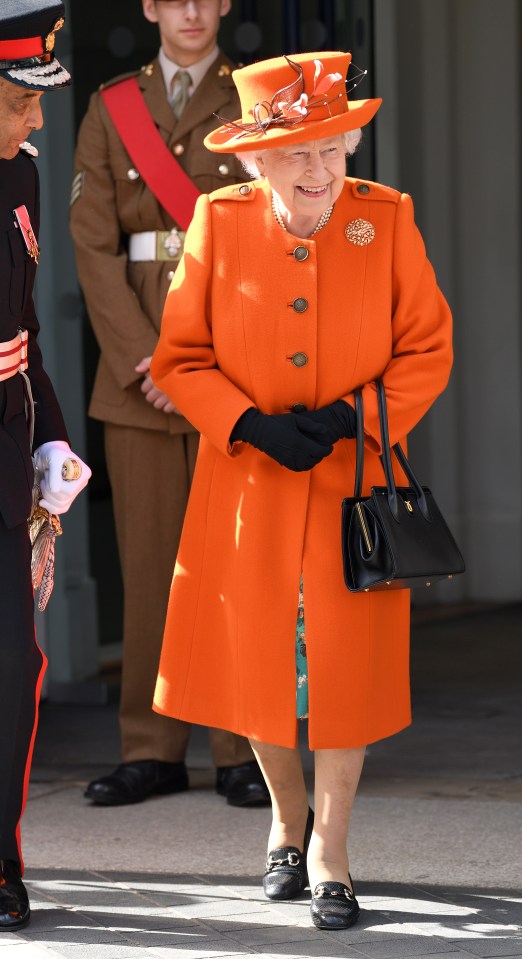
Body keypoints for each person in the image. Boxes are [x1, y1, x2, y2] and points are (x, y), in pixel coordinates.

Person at [150, 51, 454, 930]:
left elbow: (426, 348)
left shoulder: (386, 219)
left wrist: (358, 418)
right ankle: (287, 820)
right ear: (254, 159)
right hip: (248, 483)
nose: (321, 170)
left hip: (353, 484)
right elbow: (182, 357)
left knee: (343, 671)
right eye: (298, 154)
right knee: (263, 666)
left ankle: (333, 849)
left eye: (335, 149)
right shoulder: (218, 220)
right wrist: (246, 423)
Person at [69, 0, 269, 808]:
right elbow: (91, 241)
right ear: (150, 6)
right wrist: (145, 357)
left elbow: (268, 229)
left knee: (233, 565)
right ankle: (150, 748)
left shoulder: (255, 96)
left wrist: (199, 361)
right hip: (139, 367)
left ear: (224, 4)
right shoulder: (111, 105)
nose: (190, 11)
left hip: (231, 357)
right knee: (151, 566)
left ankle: (238, 750)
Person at [0, 0, 91, 931]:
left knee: (10, 664)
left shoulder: (20, 177)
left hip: (4, 451)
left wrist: (51, 438)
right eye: (21, 100)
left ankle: (1, 863)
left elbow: (23, 328)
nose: (37, 119)